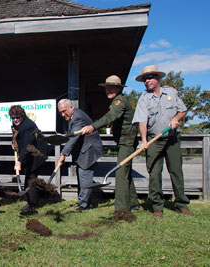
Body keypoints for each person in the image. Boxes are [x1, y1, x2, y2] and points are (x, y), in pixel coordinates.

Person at [132, 65, 192, 217]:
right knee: (154, 173)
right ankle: (157, 206)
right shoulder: (144, 99)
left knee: (176, 171)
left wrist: (175, 119)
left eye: (150, 77)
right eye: (145, 79)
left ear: (158, 78)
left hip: (172, 139)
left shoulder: (171, 92)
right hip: (154, 140)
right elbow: (142, 122)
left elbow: (183, 109)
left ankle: (181, 204)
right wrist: (144, 140)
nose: (147, 81)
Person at [81, 75, 140, 214]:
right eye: (107, 88)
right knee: (126, 172)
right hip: (123, 141)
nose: (108, 90)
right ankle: (133, 203)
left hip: (127, 141)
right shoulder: (116, 101)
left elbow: (110, 117)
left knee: (120, 173)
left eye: (112, 88)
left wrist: (92, 127)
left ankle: (121, 209)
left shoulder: (119, 101)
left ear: (119, 88)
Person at [57, 99, 103, 210]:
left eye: (64, 111)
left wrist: (63, 154)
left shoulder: (77, 118)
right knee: (82, 176)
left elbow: (74, 137)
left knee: (85, 176)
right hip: (84, 150)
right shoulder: (74, 115)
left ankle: (85, 204)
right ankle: (83, 201)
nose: (62, 115)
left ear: (71, 108)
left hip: (89, 150)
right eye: (60, 112)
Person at [9, 105, 49, 213]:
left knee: (31, 176)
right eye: (13, 118)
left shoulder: (28, 126)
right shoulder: (17, 124)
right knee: (28, 174)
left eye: (18, 117)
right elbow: (16, 135)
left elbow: (27, 145)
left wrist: (20, 161)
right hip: (29, 151)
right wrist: (14, 143)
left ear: (22, 116)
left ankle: (32, 205)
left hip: (37, 152)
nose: (15, 120)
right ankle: (28, 199)